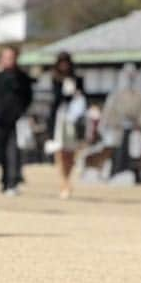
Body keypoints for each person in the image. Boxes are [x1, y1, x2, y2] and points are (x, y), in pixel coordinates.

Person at [0, 46, 33, 196]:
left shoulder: (22, 78)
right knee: (1, 151)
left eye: (11, 57)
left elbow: (28, 97)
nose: (9, 60)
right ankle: (5, 180)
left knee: (14, 151)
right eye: (6, 57)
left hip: (16, 119)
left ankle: (13, 181)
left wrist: (21, 111)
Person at [48, 52, 86, 199]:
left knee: (71, 151)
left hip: (74, 118)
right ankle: (63, 180)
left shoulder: (77, 79)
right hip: (60, 118)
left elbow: (83, 98)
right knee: (60, 150)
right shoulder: (55, 79)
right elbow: (55, 99)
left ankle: (68, 178)